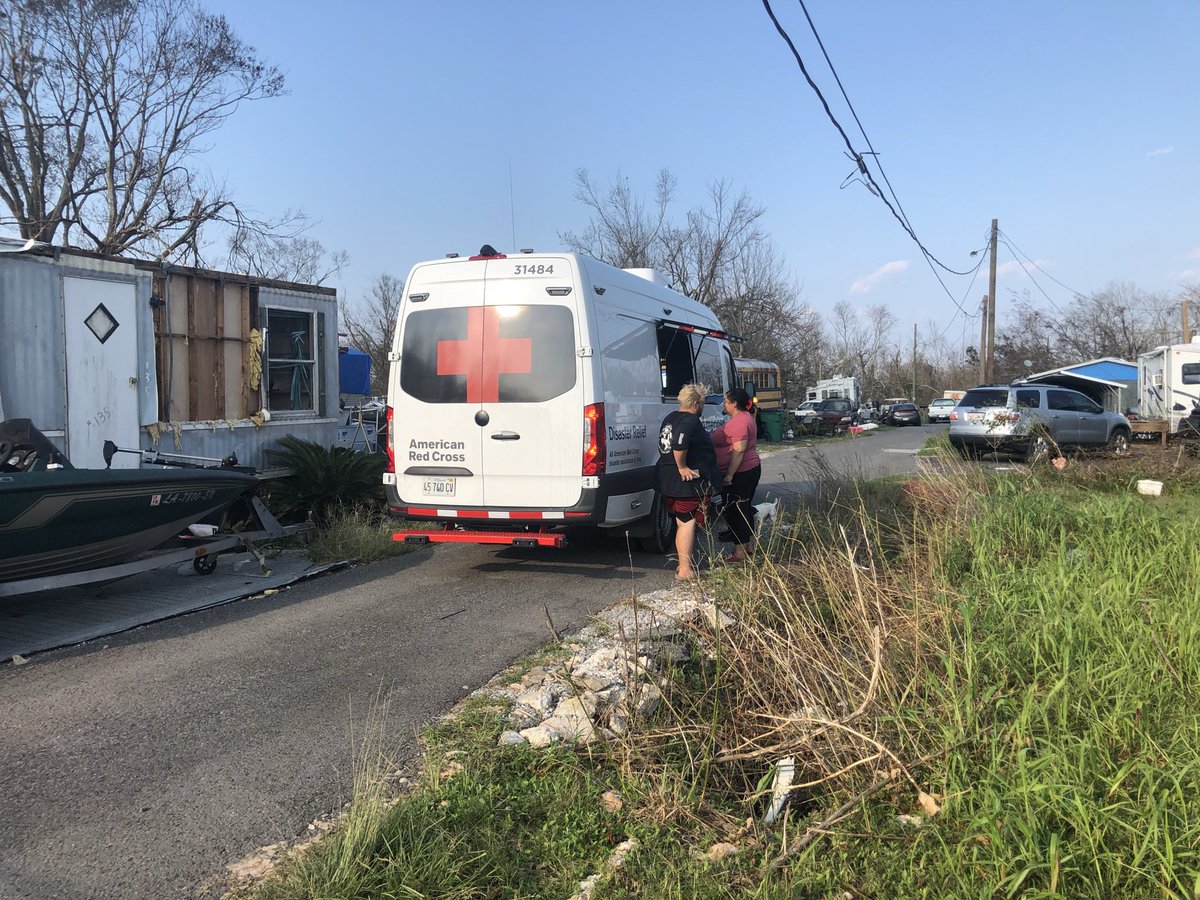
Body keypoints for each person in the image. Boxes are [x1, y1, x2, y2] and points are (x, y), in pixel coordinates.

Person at [656, 383, 720, 580]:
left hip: (667, 479)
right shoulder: (690, 420)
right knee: (687, 523)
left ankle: (684, 566)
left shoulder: (670, 418)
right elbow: (680, 442)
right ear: (694, 403)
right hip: (685, 483)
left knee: (681, 522)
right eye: (701, 403)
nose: (702, 407)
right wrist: (682, 466)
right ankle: (685, 570)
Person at [711, 388, 762, 563]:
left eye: (725, 401)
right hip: (750, 469)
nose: (723, 404)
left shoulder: (740, 422)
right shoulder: (745, 418)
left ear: (734, 403)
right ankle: (748, 547)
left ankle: (739, 553)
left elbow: (739, 450)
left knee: (735, 511)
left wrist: (729, 475)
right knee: (744, 508)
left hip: (741, 472)